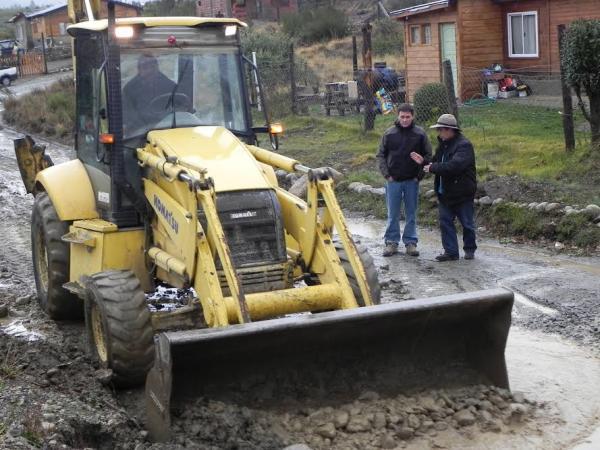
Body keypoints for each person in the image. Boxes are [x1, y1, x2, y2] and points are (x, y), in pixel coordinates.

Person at [411, 114, 477, 262]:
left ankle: (470, 249)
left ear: (449, 130)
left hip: (462, 193)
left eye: (440, 129)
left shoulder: (464, 145)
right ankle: (451, 252)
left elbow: (455, 166)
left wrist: (432, 167)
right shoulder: (443, 145)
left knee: (467, 223)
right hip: (445, 193)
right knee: (445, 222)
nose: (438, 132)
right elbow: (435, 163)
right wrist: (424, 162)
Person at [376, 103, 432, 257]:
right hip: (393, 181)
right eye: (402, 117)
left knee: (411, 213)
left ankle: (410, 242)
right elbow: (380, 155)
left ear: (412, 116)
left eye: (408, 117)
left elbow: (428, 156)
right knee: (393, 213)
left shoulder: (420, 134)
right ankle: (391, 242)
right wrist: (387, 175)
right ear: (398, 116)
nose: (405, 120)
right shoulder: (389, 134)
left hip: (411, 181)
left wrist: (418, 176)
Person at [122, 54, 176, 132]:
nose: (149, 70)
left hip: (167, 127)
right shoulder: (129, 89)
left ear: (157, 67)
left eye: (152, 67)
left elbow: (180, 106)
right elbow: (126, 114)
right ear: (139, 69)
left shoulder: (170, 85)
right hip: (139, 131)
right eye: (145, 67)